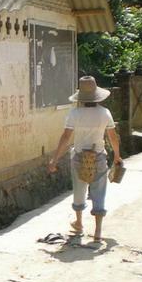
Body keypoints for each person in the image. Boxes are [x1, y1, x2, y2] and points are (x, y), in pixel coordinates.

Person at [47, 76, 122, 242]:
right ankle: (97, 231)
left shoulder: (74, 113)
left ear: (80, 96)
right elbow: (113, 137)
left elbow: (66, 137)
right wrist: (117, 155)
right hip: (99, 157)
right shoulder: (105, 113)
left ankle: (79, 224)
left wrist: (54, 159)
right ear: (97, 95)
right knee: (99, 192)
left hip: (79, 156)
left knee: (79, 190)